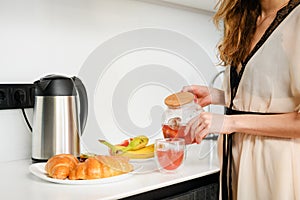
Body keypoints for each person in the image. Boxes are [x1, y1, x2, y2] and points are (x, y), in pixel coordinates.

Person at [182, 0, 300, 199]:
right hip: (236, 157)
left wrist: (229, 122)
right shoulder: (247, 18)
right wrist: (218, 96)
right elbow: (269, 96)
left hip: (276, 164)